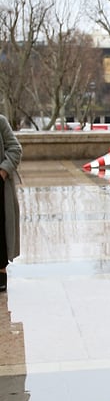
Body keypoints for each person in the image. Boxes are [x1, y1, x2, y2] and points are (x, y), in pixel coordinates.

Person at [0, 114, 22, 293]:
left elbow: (15, 148)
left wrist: (3, 172)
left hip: (0, 189)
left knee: (0, 236)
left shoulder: (1, 121)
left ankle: (0, 280)